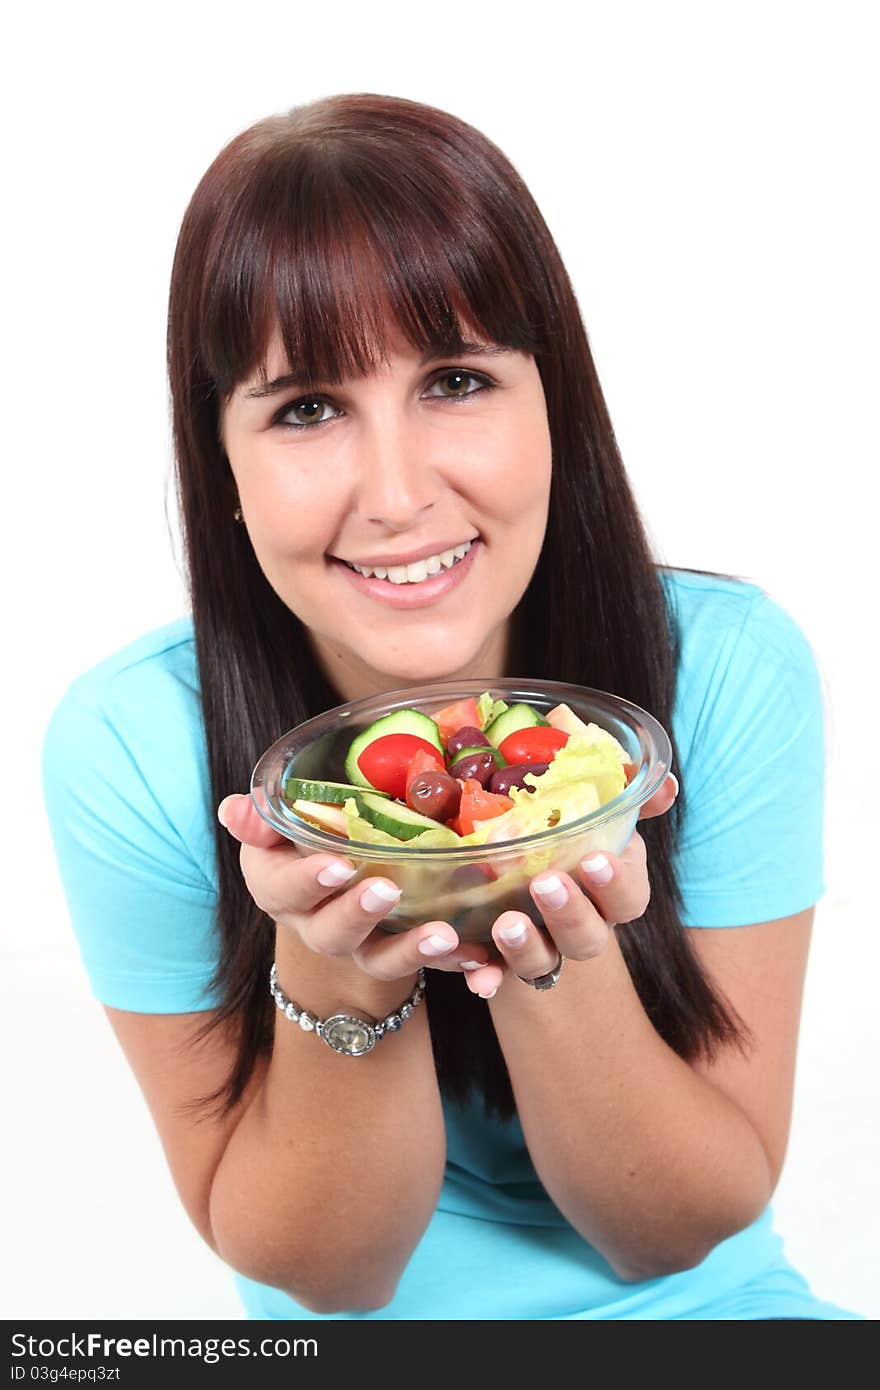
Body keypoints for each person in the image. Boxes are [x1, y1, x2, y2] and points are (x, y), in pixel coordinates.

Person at [42, 92, 861, 1321]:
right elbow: (325, 1278)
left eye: (457, 379)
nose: (393, 493)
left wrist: (549, 927)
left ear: (557, 407)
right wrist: (336, 972)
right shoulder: (137, 746)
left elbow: (678, 1234)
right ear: (221, 461)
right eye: (308, 408)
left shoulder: (725, 671)